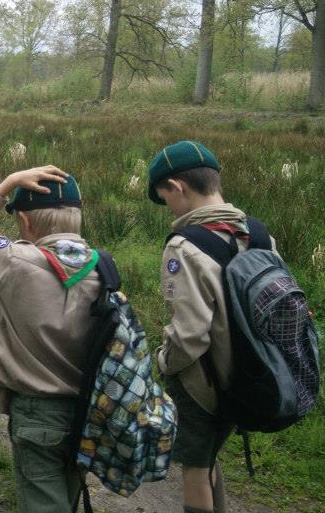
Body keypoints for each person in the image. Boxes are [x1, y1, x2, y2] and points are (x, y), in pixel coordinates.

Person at [0, 166, 104, 513]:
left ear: (24, 222)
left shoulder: (16, 262)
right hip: (89, 410)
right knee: (66, 497)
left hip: (37, 413)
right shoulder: (102, 270)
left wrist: (6, 183)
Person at [147, 141, 274, 513]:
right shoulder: (259, 234)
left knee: (195, 470)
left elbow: (189, 334)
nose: (168, 207)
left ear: (177, 187)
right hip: (250, 375)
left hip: (202, 383)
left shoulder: (185, 248)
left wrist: (163, 361)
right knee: (210, 456)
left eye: (164, 197)